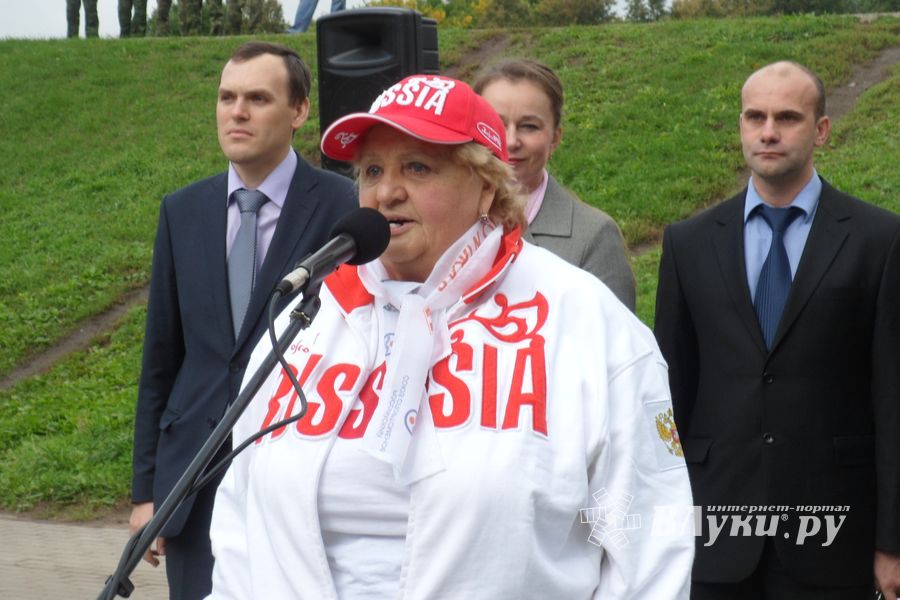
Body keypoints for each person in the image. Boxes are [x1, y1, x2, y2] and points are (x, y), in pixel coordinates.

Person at [207, 74, 693, 599]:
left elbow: (648, 545)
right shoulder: (310, 318)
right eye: (372, 170)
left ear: (486, 184)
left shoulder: (581, 319)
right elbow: (240, 523)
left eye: (417, 167)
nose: (387, 191)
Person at [655, 60, 900, 599]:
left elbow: (893, 397)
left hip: (836, 535)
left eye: (787, 117)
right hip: (716, 533)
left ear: (821, 130)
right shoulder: (688, 244)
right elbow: (670, 399)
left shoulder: (879, 240)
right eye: (755, 116)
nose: (768, 131)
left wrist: (892, 541)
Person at [130, 41, 357, 600]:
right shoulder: (181, 210)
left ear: (299, 111)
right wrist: (146, 492)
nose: (238, 111)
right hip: (194, 481)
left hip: (294, 473)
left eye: (258, 98)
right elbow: (162, 358)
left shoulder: (343, 206)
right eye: (227, 97)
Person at [474, 59, 635, 311]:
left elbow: (613, 346)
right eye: (496, 124)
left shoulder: (593, 238)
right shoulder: (438, 220)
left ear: (555, 139)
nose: (511, 141)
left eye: (529, 126)